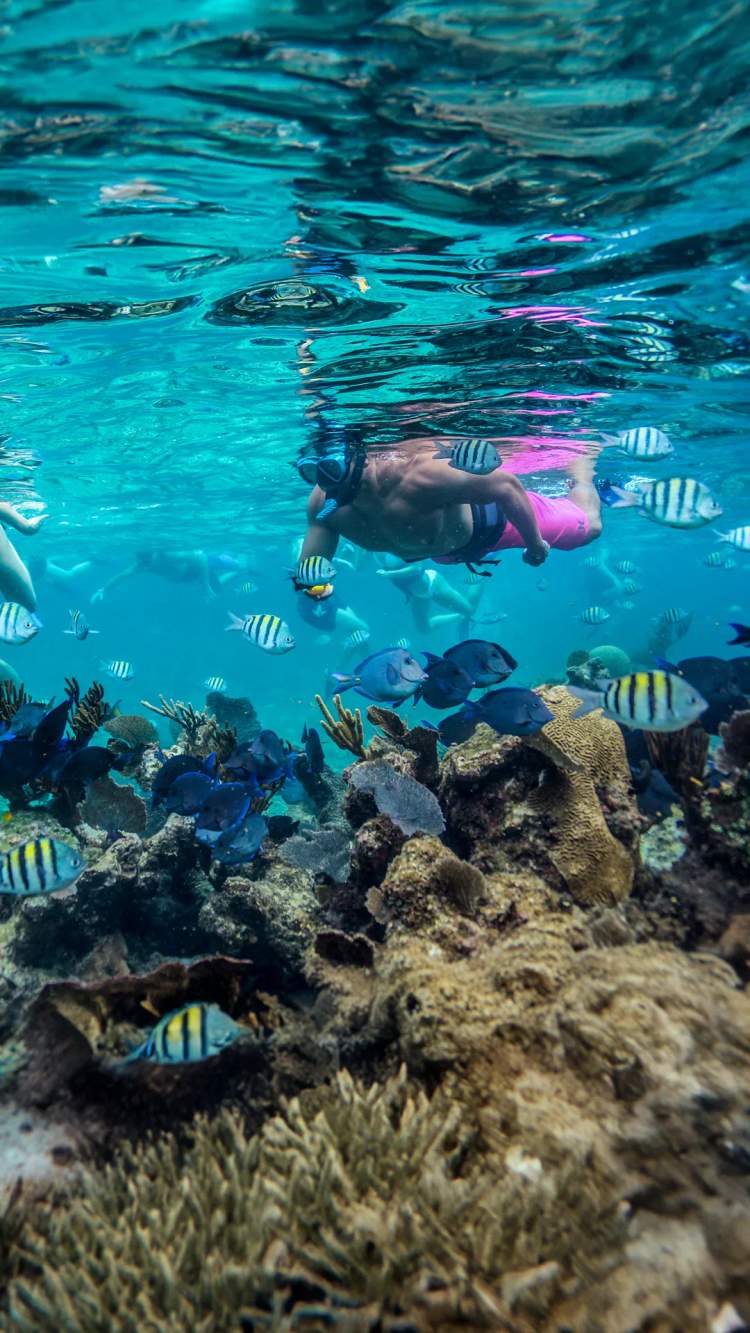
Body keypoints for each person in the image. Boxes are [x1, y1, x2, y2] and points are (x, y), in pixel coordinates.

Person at [296, 437, 601, 573]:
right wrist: (312, 586)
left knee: (590, 529)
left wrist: (535, 546)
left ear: (358, 456)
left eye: (331, 469)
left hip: (496, 523)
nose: (325, 481)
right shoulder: (325, 505)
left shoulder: (419, 475)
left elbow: (508, 487)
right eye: (314, 472)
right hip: (446, 553)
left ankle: (582, 470)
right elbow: (312, 566)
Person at [91, 548, 246, 603]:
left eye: (148, 561)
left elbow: (200, 558)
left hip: (197, 567)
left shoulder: (167, 555)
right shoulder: (141, 566)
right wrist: (103, 590)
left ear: (153, 554)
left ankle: (238, 561)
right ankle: (235, 570)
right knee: (217, 588)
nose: (147, 566)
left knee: (225, 565)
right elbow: (121, 576)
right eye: (143, 563)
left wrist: (205, 586)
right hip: (185, 577)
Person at [0, 501, 47, 610]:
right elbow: (28, 528)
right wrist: (34, 524)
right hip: (4, 569)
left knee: (25, 607)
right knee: (26, 606)